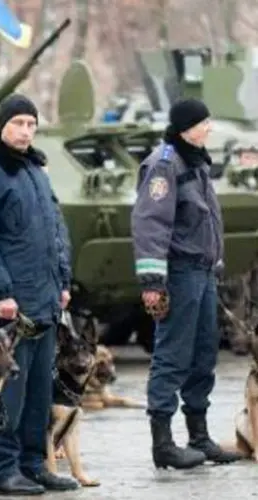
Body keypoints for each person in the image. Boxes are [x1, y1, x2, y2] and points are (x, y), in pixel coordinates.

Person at [0, 94, 78, 495]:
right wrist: (1, 293)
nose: (26, 131)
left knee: (38, 392)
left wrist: (63, 281)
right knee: (7, 391)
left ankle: (33, 464)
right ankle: (2, 468)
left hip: (44, 301)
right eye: (19, 123)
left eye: (31, 124)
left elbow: (54, 232)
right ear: (2, 125)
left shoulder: (34, 171)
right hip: (10, 307)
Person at [131, 98, 241, 469]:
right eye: (204, 122)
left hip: (202, 273)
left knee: (204, 354)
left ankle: (199, 435)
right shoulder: (164, 165)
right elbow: (150, 224)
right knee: (173, 356)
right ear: (186, 127)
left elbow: (205, 219)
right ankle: (162, 444)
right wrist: (152, 282)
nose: (209, 128)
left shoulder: (194, 160)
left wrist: (216, 263)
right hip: (179, 274)